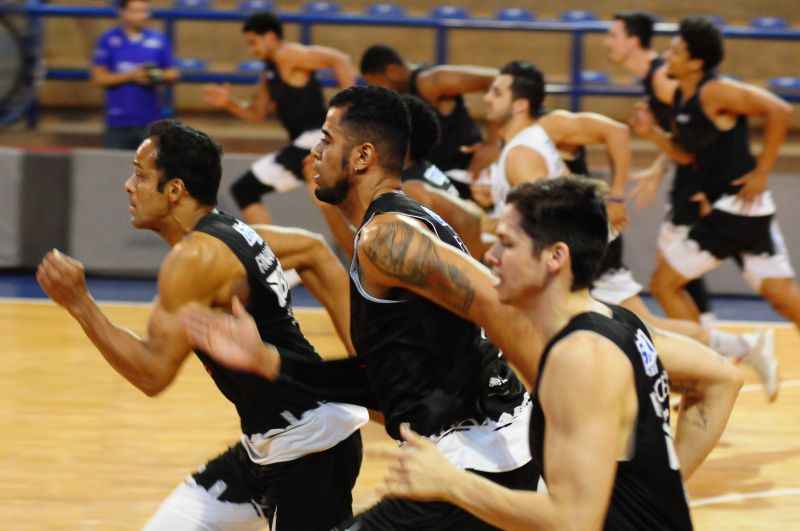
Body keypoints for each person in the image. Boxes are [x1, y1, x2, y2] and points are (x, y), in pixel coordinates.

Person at [182, 177, 743, 529]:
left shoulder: (580, 356)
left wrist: (450, 483)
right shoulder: (615, 323)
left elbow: (572, 518)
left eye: (507, 243)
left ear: (554, 258)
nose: (489, 253)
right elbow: (721, 380)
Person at [185, 85, 540, 530]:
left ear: (362, 157)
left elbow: (500, 304)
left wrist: (564, 422)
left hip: (475, 458)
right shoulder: (387, 230)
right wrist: (269, 361)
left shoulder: (387, 238)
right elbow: (386, 381)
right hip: (479, 455)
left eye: (327, 140)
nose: (315, 153)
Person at [36, 120, 367, 530]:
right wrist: (362, 356)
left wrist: (80, 303)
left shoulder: (194, 258)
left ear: (174, 190)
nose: (128, 186)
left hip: (311, 448)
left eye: (140, 175)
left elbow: (152, 374)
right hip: (267, 447)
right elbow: (313, 250)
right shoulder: (232, 232)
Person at [484, 60, 777, 399]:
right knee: (644, 329)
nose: (487, 98)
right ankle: (739, 348)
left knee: (636, 333)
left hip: (579, 247)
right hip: (583, 240)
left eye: (496, 91)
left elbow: (544, 218)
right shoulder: (527, 143)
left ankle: (716, 367)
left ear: (520, 103)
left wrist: (617, 194)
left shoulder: (526, 148)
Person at [631, 17, 800, 349]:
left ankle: (705, 365)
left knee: (665, 285)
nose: (667, 55)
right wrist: (650, 134)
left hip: (735, 208)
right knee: (781, 296)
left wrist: (763, 172)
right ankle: (709, 360)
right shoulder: (683, 94)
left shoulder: (716, 91)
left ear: (696, 62)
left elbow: (780, 110)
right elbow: (685, 156)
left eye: (676, 51)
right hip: (740, 211)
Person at [604, 10, 718, 328]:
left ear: (633, 40)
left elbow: (701, 128)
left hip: (704, 180)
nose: (607, 42)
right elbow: (683, 136)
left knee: (672, 268)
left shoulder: (662, 79)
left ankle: (716, 342)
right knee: (675, 263)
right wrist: (659, 166)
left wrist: (707, 184)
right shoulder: (654, 80)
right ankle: (713, 337)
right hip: (693, 174)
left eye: (614, 35)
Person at [205, 12, 356, 225]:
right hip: (303, 145)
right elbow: (257, 114)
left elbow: (339, 59)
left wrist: (354, 105)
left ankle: (268, 254)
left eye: (253, 42)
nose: (251, 50)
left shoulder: (289, 54)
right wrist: (228, 104)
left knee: (244, 189)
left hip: (316, 139)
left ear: (270, 37)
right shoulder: (269, 71)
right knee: (246, 191)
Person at [360, 44, 499, 197]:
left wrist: (492, 143)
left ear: (393, 71)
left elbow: (496, 79)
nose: (378, 90)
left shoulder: (432, 81)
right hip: (435, 175)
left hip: (467, 175)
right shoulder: (400, 96)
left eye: (377, 83)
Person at [91, 0, 179, 150]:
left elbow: (173, 74)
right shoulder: (107, 40)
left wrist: (153, 75)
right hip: (117, 122)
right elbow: (99, 78)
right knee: (115, 168)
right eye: (136, 11)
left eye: (145, 11)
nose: (142, 16)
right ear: (123, 12)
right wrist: (130, 76)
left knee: (151, 170)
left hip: (151, 121)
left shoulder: (159, 40)